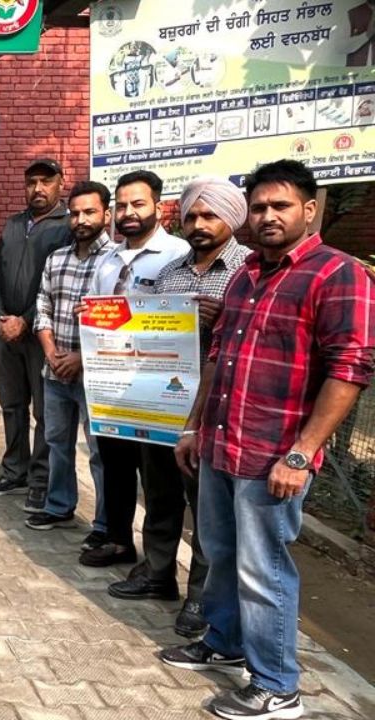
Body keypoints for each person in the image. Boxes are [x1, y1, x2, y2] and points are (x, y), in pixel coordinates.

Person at [162, 160, 374, 720]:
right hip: (222, 443)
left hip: (275, 456)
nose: (267, 216)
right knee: (220, 553)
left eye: (280, 206)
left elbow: (350, 370)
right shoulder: (246, 274)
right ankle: (224, 641)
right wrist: (195, 426)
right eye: (258, 207)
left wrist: (301, 454)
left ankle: (277, 685)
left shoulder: (338, 274)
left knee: (264, 570)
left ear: (310, 209)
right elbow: (218, 356)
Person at [116, 177, 250, 639]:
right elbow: (149, 328)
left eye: (209, 215)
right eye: (192, 216)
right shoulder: (171, 271)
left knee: (207, 506)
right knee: (159, 491)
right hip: (164, 399)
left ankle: (202, 595)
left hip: (214, 404)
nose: (199, 224)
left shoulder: (247, 271)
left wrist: (224, 318)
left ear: (231, 218)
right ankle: (158, 571)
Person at [78, 170, 189, 569]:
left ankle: (159, 564)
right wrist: (89, 316)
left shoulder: (178, 254)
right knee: (116, 467)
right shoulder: (109, 260)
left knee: (159, 478)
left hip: (159, 384)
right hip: (113, 383)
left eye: (138, 204)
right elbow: (97, 308)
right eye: (122, 205)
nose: (128, 213)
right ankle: (118, 540)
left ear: (159, 207)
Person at [24, 181, 112, 545]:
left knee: (100, 453)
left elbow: (122, 320)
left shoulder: (117, 261)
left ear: (106, 214)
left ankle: (105, 524)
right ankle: (59, 506)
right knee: (56, 442)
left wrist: (82, 358)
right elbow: (42, 306)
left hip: (97, 376)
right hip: (55, 370)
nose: (81, 220)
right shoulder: (56, 258)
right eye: (75, 213)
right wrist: (50, 352)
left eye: (89, 212)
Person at [0, 158, 71, 511]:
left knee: (44, 412)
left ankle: (40, 480)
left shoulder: (67, 227)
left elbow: (57, 286)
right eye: (32, 182)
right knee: (11, 405)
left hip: (43, 335)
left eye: (46, 181)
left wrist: (26, 320)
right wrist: (2, 317)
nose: (38, 188)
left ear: (60, 184)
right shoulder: (13, 224)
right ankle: (14, 470)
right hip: (8, 335)